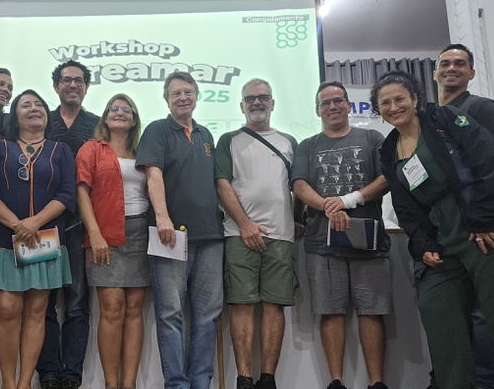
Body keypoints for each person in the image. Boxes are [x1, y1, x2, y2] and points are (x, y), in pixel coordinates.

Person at [372, 70, 494, 389]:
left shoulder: (445, 119)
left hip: (481, 231)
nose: (393, 107)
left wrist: (484, 220)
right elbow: (405, 206)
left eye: (399, 99)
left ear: (415, 98)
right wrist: (423, 244)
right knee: (436, 309)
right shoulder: (388, 149)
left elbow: (490, 161)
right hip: (441, 242)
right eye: (385, 103)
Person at [0, 89, 76, 389]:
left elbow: (67, 194)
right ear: (14, 116)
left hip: (45, 239)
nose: (34, 109)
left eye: (39, 104)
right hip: (6, 238)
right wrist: (18, 225)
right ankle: (8, 383)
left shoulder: (61, 150)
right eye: (25, 105)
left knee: (37, 311)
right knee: (7, 309)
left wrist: (35, 223)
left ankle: (24, 383)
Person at [291, 81, 391, 389]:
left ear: (348, 105)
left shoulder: (372, 138)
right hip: (322, 244)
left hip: (368, 241)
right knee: (330, 311)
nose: (332, 107)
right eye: (325, 103)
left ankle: (376, 382)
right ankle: (336, 381)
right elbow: (299, 185)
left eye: (338, 101)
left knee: (372, 312)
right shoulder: (307, 145)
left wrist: (349, 200)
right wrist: (327, 206)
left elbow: (387, 178)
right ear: (317, 110)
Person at [136, 71, 224, 389]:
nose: (183, 97)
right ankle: (176, 384)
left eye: (188, 92)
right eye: (176, 93)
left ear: (197, 96)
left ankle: (200, 382)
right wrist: (162, 218)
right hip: (170, 235)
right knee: (170, 313)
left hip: (211, 236)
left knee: (208, 314)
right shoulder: (157, 130)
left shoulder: (206, 135)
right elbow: (153, 175)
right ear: (167, 99)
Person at [215, 78, 304, 389]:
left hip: (281, 235)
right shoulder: (228, 140)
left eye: (263, 97)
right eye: (250, 98)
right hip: (238, 234)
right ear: (241, 105)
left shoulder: (289, 142)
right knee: (241, 304)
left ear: (272, 103)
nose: (257, 102)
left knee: (274, 306)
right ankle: (244, 378)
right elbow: (222, 184)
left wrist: (298, 218)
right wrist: (245, 224)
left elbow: (299, 185)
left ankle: (268, 379)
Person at [429, 43, 494, 389]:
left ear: (472, 73)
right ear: (435, 72)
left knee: (487, 316)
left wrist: (485, 219)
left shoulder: (481, 108)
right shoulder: (430, 118)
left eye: (460, 63)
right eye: (445, 63)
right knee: (455, 316)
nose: (452, 68)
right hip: (451, 233)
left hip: (487, 228)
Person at [75, 94, 149, 389]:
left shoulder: (143, 150)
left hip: (140, 232)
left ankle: (128, 383)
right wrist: (94, 234)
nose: (120, 112)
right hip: (104, 234)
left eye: (126, 109)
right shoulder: (91, 149)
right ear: (105, 117)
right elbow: (81, 192)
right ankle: (110, 383)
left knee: (134, 307)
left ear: (134, 118)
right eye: (114, 108)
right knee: (112, 306)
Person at [37, 60, 100, 389]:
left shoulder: (98, 125)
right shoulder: (41, 120)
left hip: (81, 223)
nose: (72, 85)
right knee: (43, 300)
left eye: (79, 80)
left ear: (86, 87)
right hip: (43, 222)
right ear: (56, 86)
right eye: (66, 80)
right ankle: (47, 372)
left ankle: (71, 375)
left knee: (76, 301)